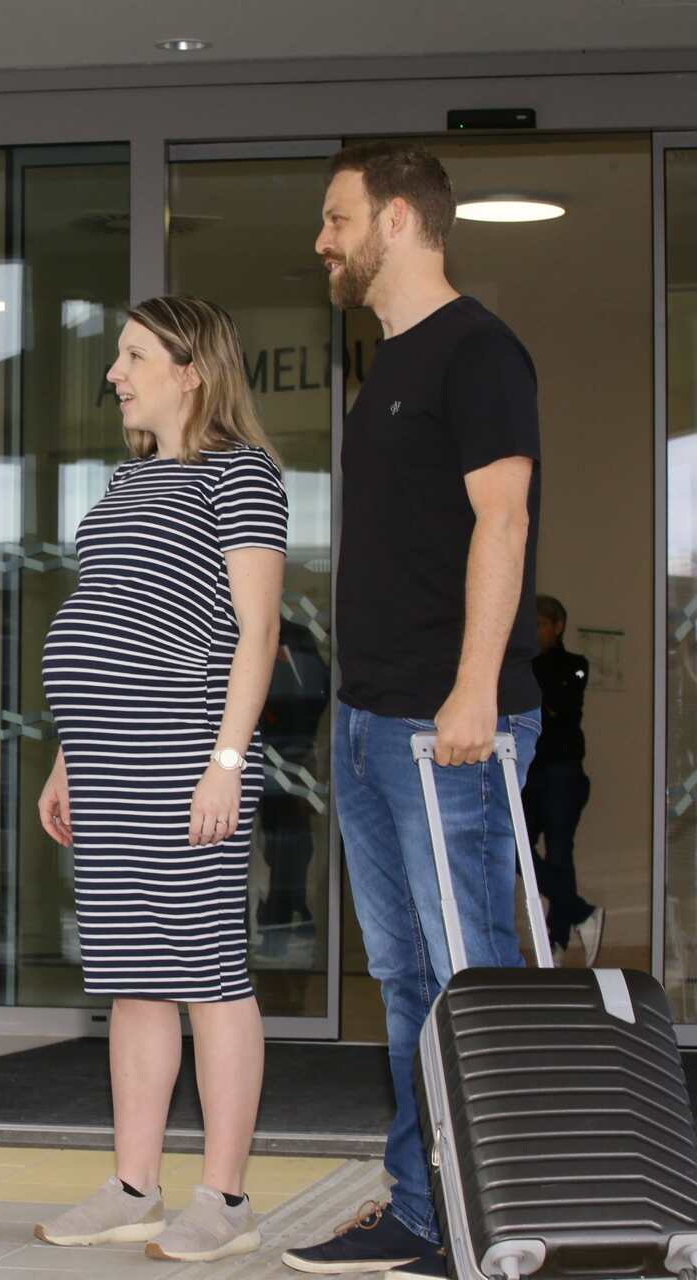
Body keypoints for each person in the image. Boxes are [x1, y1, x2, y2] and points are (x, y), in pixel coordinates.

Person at [282, 142, 541, 1278]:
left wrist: (476, 684)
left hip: (447, 723)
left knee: (470, 973)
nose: (323, 242)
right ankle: (428, 1209)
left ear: (396, 219)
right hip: (369, 717)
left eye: (336, 219)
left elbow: (505, 518)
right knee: (406, 980)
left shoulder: (477, 351)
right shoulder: (383, 363)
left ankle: (506, 1213)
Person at [33, 296, 287, 1265]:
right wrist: (69, 752)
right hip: (107, 758)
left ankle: (224, 1194)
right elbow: (107, 609)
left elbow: (256, 630)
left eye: (133, 354)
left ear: (191, 370)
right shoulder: (130, 480)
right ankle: (134, 1182)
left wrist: (226, 759)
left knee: (209, 976)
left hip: (188, 752)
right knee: (135, 978)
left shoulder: (243, 474)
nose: (114, 372)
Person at [525, 593, 602, 965]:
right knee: (514, 849)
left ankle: (556, 942)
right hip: (528, 772)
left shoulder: (576, 665)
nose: (534, 631)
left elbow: (558, 706)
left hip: (563, 772)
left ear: (558, 627)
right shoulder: (521, 664)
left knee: (559, 852)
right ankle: (579, 911)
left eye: (540, 624)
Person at [254, 619, 330, 960]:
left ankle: (280, 917)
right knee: (285, 841)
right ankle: (280, 916)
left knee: (288, 841)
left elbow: (317, 689)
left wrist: (296, 739)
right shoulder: (283, 633)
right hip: (276, 754)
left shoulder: (291, 636)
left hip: (284, 755)